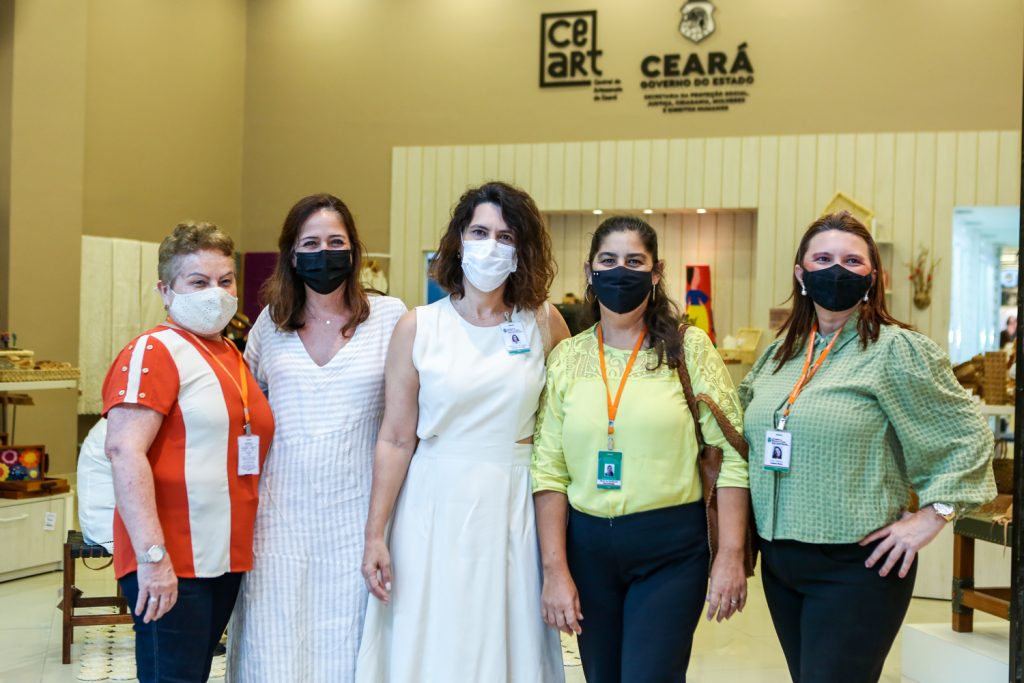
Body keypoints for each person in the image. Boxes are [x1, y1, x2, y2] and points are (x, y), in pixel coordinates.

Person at [739, 210, 996, 683]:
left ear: (873, 278)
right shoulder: (781, 353)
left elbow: (967, 434)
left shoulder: (896, 349)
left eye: (852, 261)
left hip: (857, 565)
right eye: (823, 259)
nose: (837, 270)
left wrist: (933, 514)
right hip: (780, 562)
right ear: (800, 274)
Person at [356, 181, 571, 682]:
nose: (490, 245)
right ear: (458, 240)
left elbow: (562, 429)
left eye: (505, 236)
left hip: (512, 500)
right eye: (480, 232)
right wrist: (375, 534)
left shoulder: (544, 323)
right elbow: (395, 437)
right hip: (433, 500)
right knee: (434, 638)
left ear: (522, 251)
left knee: (506, 638)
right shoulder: (418, 326)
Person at [532, 215, 751, 683]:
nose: (620, 271)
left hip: (670, 551)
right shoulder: (568, 357)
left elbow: (731, 453)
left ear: (656, 273)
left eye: (635, 261)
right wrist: (555, 569)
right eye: (608, 260)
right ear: (589, 271)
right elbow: (548, 470)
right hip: (587, 551)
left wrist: (731, 553)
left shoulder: (689, 348)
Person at [226, 194, 406, 683]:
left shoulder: (390, 318)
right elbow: (248, 415)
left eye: (335, 242)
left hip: (358, 514)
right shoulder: (270, 324)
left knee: (346, 645)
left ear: (354, 250)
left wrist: (380, 529)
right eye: (310, 243)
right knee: (273, 643)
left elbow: (405, 421)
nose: (323, 253)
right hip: (277, 517)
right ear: (291, 254)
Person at [102, 222, 274, 683]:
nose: (215, 293)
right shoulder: (153, 351)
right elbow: (123, 451)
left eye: (225, 280)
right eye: (198, 282)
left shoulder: (230, 352)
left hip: (223, 555)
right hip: (172, 557)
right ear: (165, 290)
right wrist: (153, 557)